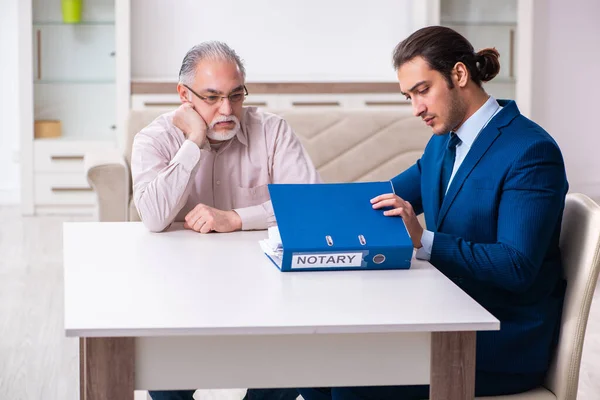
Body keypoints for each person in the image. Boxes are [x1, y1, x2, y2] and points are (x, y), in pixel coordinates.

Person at [298, 25, 568, 400]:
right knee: (314, 358)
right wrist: (294, 220)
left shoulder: (530, 151)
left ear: (459, 74)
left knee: (349, 376)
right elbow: (382, 199)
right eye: (409, 96)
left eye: (423, 91)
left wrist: (422, 240)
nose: (416, 109)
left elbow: (516, 266)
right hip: (444, 316)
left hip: (498, 341)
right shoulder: (442, 143)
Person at [131, 41, 317, 400]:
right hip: (181, 298)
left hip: (266, 294)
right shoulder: (154, 139)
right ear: (184, 95)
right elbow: (153, 216)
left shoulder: (273, 131)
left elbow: (308, 205)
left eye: (236, 95)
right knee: (165, 380)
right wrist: (194, 141)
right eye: (212, 97)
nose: (227, 109)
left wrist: (236, 218)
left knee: (295, 362)